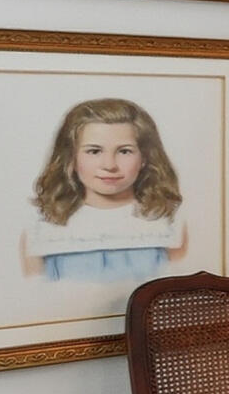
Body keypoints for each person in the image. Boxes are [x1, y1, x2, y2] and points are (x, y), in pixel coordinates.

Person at [21, 97, 189, 285]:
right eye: (94, 151)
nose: (109, 165)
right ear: (71, 158)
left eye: (124, 151)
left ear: (145, 158)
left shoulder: (169, 220)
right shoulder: (41, 226)